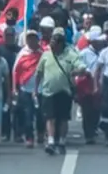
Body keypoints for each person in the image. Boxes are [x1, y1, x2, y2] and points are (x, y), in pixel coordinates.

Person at [36, 26, 85, 155]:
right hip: (48, 91)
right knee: (50, 118)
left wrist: (76, 71)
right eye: (51, 43)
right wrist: (36, 89)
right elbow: (39, 73)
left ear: (61, 43)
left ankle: (61, 141)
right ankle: (51, 142)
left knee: (63, 118)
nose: (52, 46)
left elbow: (81, 67)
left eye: (54, 43)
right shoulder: (46, 55)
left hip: (64, 91)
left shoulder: (71, 54)